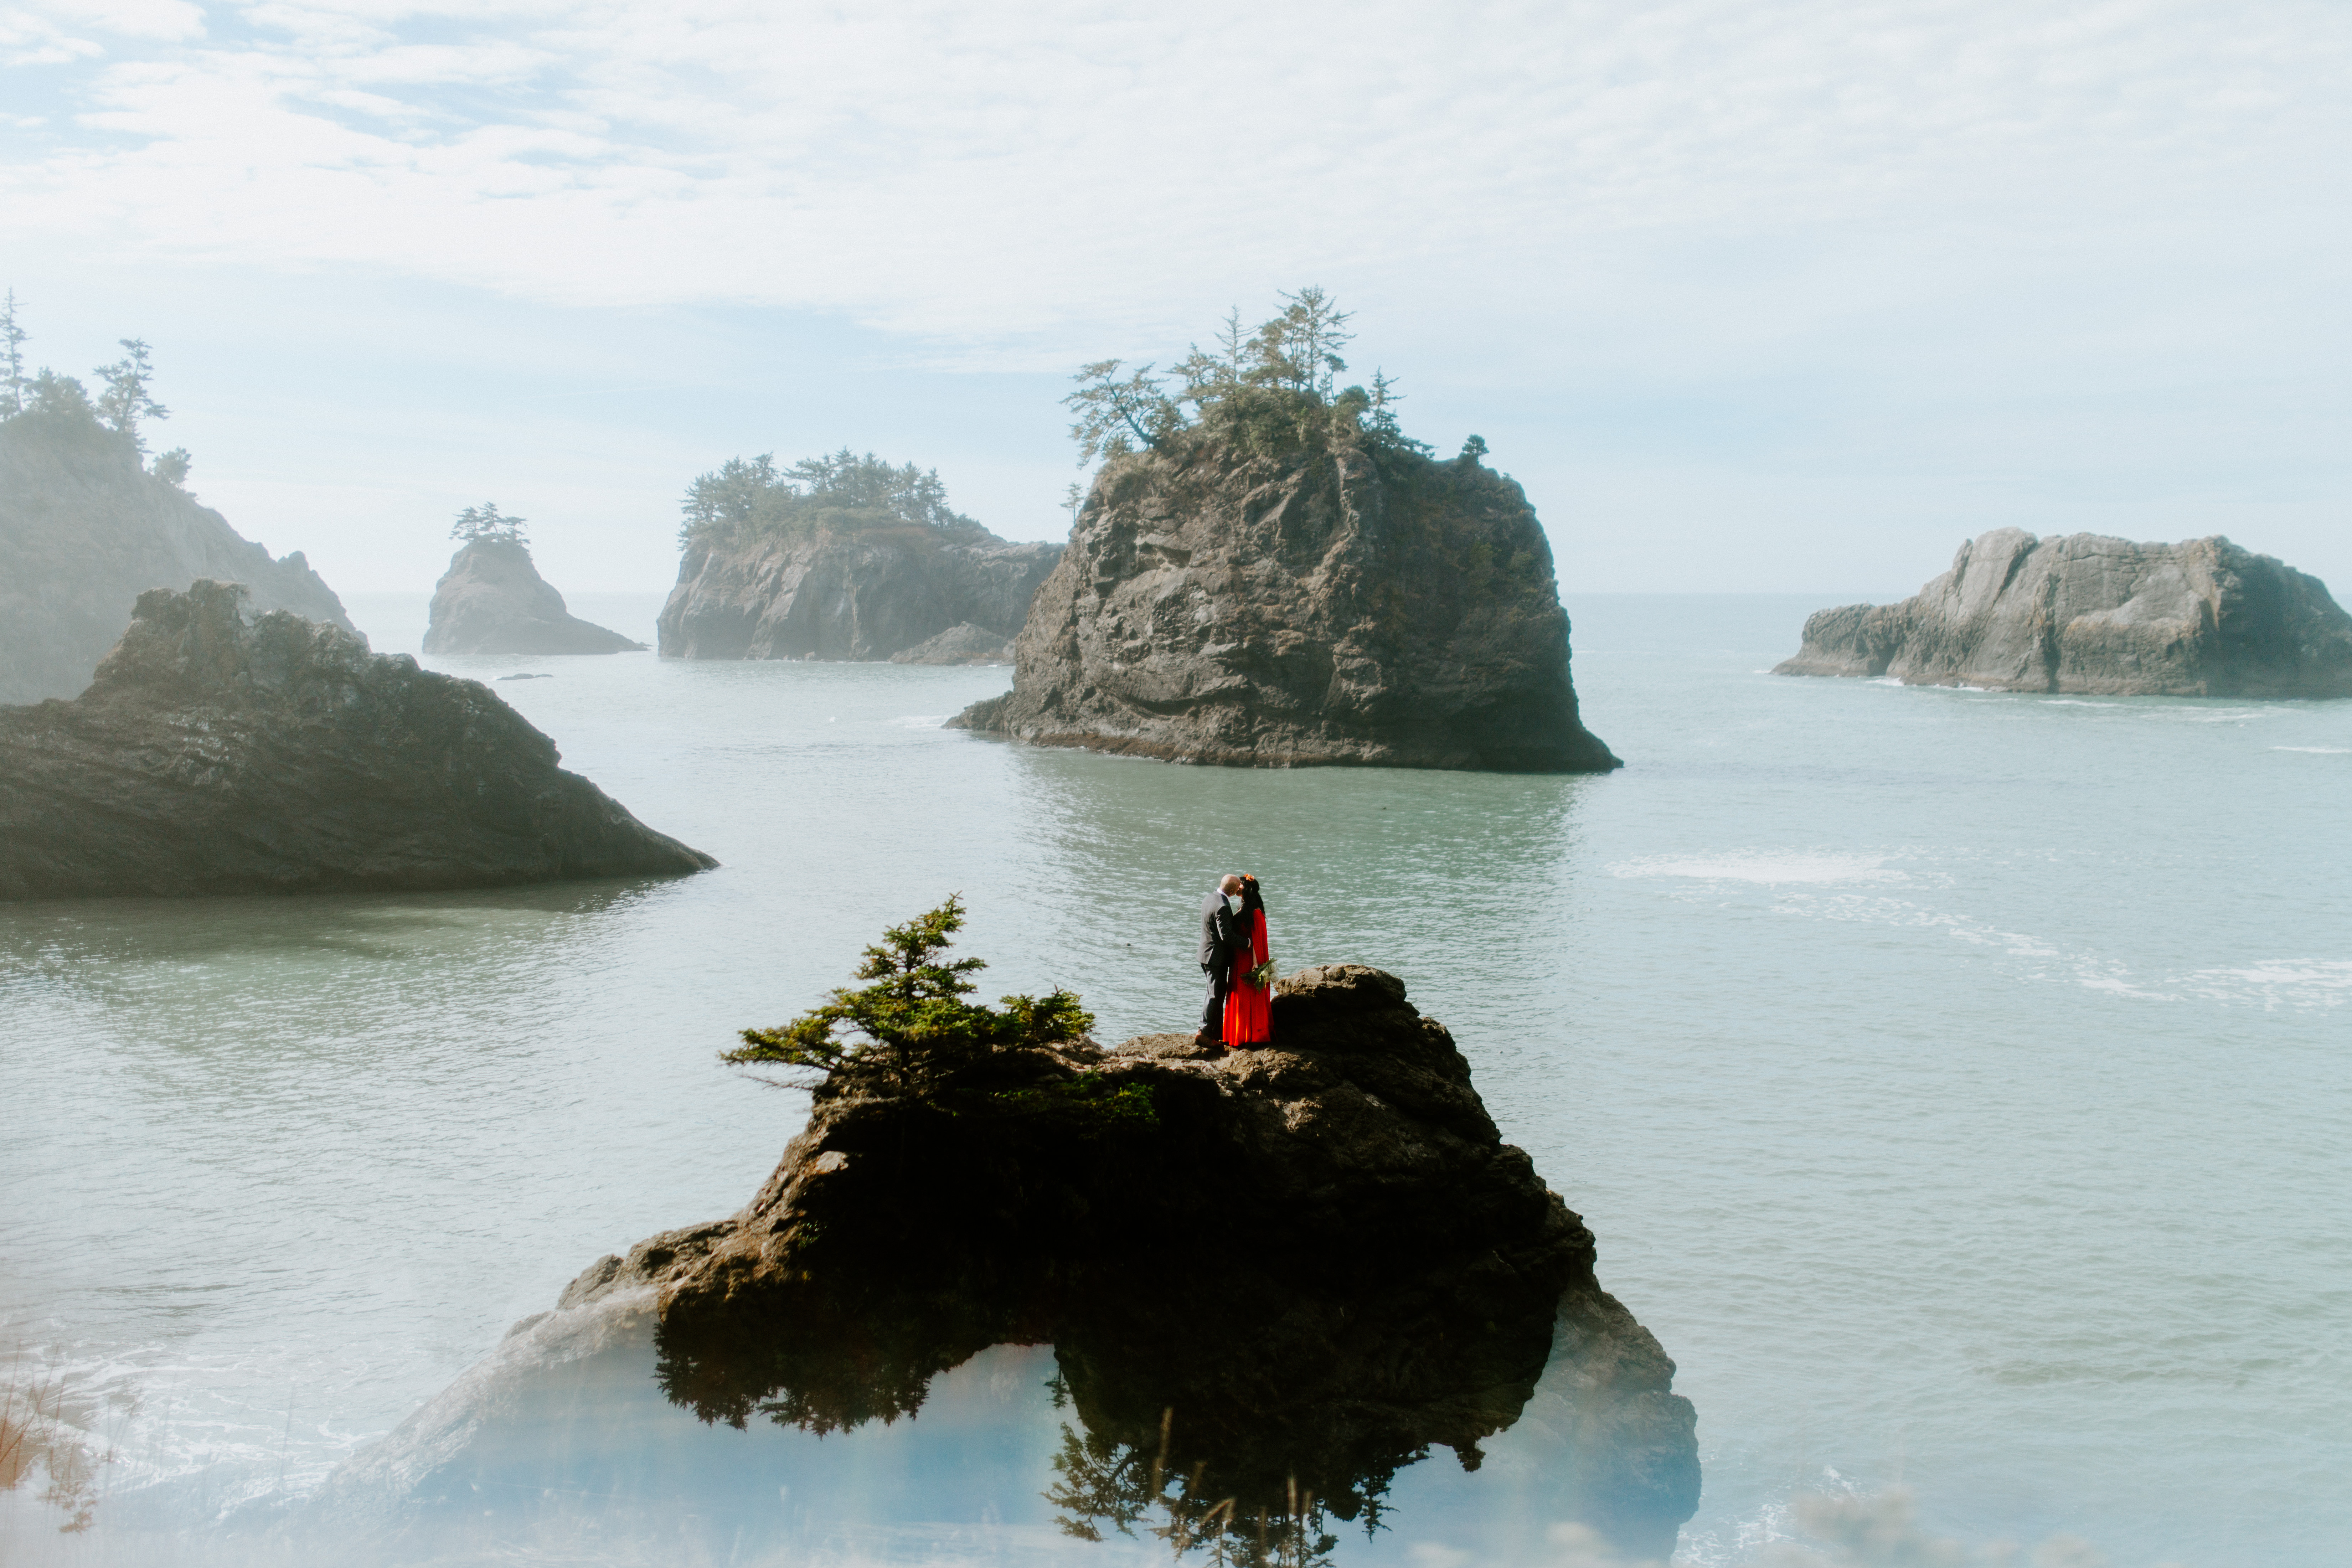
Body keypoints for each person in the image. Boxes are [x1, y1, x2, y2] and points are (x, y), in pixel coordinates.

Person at [1196, 873, 1246, 1051]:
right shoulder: (1224, 906)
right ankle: (1204, 1033)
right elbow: (1227, 936)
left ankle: (1216, 1033)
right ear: (1232, 891)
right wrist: (1247, 943)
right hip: (1215, 958)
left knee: (1214, 993)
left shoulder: (1210, 898)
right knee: (1215, 996)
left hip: (1205, 954)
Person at [1222, 874, 1272, 1048]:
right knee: (1239, 995)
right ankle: (1238, 1034)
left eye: (1240, 885)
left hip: (1249, 961)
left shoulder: (1255, 912)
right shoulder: (1246, 909)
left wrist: (1257, 965)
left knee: (1247, 996)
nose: (1237, 887)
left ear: (1246, 889)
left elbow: (1259, 940)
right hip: (1239, 958)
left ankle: (1252, 1036)